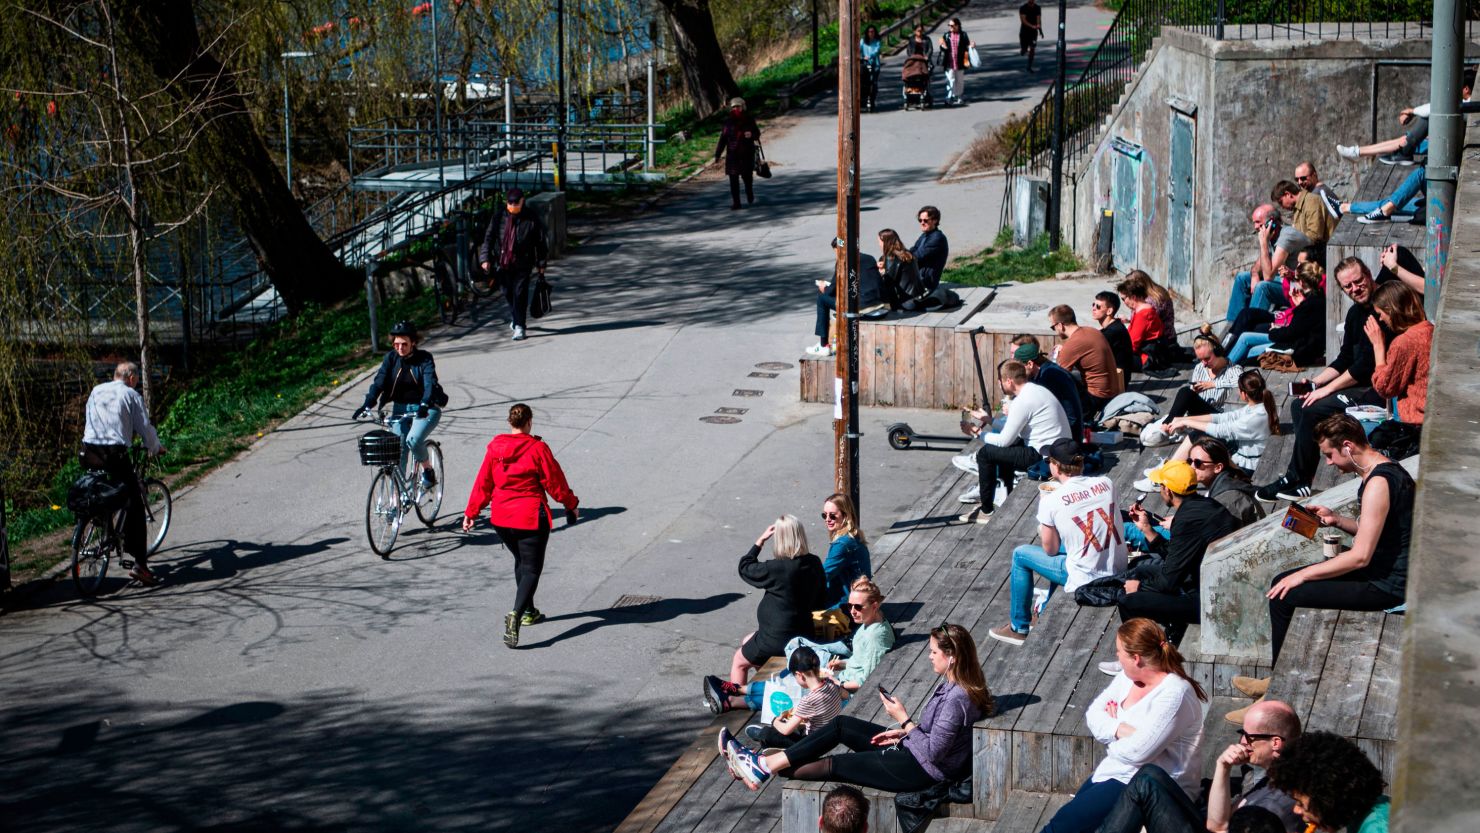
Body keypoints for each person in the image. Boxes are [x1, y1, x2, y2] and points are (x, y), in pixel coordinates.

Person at [720, 623, 993, 795]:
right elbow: (939, 737)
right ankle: (761, 762)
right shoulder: (953, 686)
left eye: (935, 652)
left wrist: (905, 721)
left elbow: (935, 753)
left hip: (920, 770)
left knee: (834, 765)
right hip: (913, 749)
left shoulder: (957, 698)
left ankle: (763, 763)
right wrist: (901, 734)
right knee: (842, 725)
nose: (930, 656)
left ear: (953, 658)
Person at [1261, 415, 1412, 664]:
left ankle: (1274, 691)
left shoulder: (1378, 484)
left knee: (1284, 594)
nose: (1329, 463)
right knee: (1281, 582)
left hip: (1387, 585)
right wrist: (1337, 520)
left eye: (1330, 454)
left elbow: (1360, 557)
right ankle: (1275, 676)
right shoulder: (1382, 471)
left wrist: (1304, 574)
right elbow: (1370, 531)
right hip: (1379, 571)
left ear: (1348, 446)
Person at [1040, 618, 1208, 833]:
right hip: (1115, 772)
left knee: (1058, 828)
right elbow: (1093, 714)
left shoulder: (1174, 694)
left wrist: (1112, 731)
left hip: (1155, 787)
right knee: (1067, 822)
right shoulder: (1127, 678)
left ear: (1136, 658)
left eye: (1119, 651)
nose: (1117, 656)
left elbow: (1139, 752)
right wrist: (1122, 729)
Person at [1256, 258, 1390, 503]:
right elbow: (1345, 359)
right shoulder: (1354, 314)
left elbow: (1363, 367)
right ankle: (1296, 478)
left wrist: (1325, 390)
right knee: (1301, 402)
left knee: (1311, 408)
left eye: (1358, 281)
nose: (1355, 289)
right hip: (1359, 383)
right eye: (1347, 286)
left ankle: (1300, 479)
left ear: (1369, 276)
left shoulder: (1381, 310)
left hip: (1375, 390)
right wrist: (1315, 383)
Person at [988, 438, 1128, 646]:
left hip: (1087, 577)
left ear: (1054, 465)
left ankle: (1019, 627)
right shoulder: (1106, 483)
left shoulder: (1052, 500)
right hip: (1118, 567)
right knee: (1070, 549)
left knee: (1020, 555)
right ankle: (1042, 610)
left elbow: (1050, 550)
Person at [463, 403, 580, 648]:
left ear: (510, 423)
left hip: (502, 519)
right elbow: (554, 482)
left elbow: (483, 481)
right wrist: (571, 504)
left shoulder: (495, 448)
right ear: (529, 422)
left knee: (521, 561)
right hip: (529, 517)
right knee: (532, 569)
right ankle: (516, 614)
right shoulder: (537, 448)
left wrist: (471, 512)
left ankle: (529, 611)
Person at [1098, 699, 1304, 833]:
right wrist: (1222, 767)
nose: (1242, 742)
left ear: (1275, 742)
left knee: (1146, 784)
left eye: (1248, 737)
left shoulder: (1276, 803)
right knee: (1151, 775)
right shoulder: (1276, 775)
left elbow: (1218, 826)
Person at [705, 577, 895, 712]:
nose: (852, 611)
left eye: (858, 607)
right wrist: (842, 664)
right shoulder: (869, 623)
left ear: (875, 605)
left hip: (848, 696)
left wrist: (838, 683)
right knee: (795, 681)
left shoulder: (875, 637)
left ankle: (733, 696)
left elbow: (866, 681)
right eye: (849, 606)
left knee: (797, 688)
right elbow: (863, 661)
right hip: (843, 681)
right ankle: (734, 693)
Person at [1112, 461, 1238, 648]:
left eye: (1161, 485)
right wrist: (1147, 529)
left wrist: (1138, 588)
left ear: (1168, 491)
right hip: (1216, 583)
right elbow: (1176, 558)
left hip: (1214, 601)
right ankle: (1174, 631)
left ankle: (1141, 657)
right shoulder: (1205, 505)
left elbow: (1169, 582)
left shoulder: (1186, 520)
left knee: (1128, 601)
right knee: (1142, 571)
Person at [80, 361, 165, 586]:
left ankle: (102, 523)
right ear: (132, 378)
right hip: (113, 453)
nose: (136, 384)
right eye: (136, 381)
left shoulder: (97, 390)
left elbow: (90, 420)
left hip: (89, 451)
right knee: (134, 502)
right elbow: (144, 428)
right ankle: (140, 566)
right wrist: (155, 447)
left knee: (104, 489)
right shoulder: (130, 395)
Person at [957, 360, 1072, 524]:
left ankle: (986, 511)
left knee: (985, 454)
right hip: (1057, 450)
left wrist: (977, 433)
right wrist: (989, 420)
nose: (1000, 385)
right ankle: (1006, 494)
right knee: (1007, 448)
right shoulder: (1037, 390)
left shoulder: (1022, 401)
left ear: (1008, 381)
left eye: (1000, 381)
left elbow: (1004, 440)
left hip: (1044, 458)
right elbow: (1014, 428)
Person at [725, 515, 827, 686]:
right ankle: (767, 687)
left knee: (739, 661)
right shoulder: (814, 562)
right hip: (803, 633)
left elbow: (745, 568)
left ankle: (735, 700)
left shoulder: (777, 568)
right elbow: (821, 599)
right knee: (747, 641)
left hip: (777, 639)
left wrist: (760, 541)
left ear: (780, 539)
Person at [354, 320, 448, 489]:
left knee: (413, 439)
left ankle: (427, 470)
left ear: (414, 342)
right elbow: (379, 381)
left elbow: (430, 383)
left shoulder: (424, 358)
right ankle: (396, 500)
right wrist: (368, 403)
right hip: (400, 410)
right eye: (396, 344)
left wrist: (425, 403)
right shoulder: (390, 358)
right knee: (396, 452)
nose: (400, 348)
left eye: (404, 344)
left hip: (426, 409)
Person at [1154, 369, 1279, 475]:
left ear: (1243, 394)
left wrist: (1188, 422)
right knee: (1199, 435)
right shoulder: (1257, 408)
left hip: (1245, 468)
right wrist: (1184, 419)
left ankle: (1167, 474)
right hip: (1240, 457)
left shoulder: (1256, 416)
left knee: (1197, 436)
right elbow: (1224, 417)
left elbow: (1221, 430)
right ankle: (1169, 469)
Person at [1267, 732, 1390, 833]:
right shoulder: (1363, 814)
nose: (1296, 810)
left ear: (1326, 797)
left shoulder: (1378, 828)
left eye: (1300, 803)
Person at [1142, 335, 1242, 447]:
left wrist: (1213, 384)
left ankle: (1166, 426)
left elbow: (1240, 381)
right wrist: (1195, 391)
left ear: (1218, 352)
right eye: (1200, 359)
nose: (1204, 363)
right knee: (1187, 392)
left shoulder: (1234, 369)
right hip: (1198, 413)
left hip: (1217, 417)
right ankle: (1170, 425)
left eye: (1207, 358)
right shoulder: (1200, 367)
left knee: (1186, 392)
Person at [478, 187, 549, 341]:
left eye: (516, 204)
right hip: (502, 263)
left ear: (522, 202)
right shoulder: (499, 217)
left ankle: (520, 326)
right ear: (506, 203)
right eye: (510, 204)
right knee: (507, 293)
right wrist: (485, 258)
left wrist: (541, 262)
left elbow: (540, 241)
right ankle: (516, 319)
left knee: (520, 293)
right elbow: (489, 238)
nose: (513, 207)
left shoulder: (531, 218)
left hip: (523, 262)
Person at [742, 646, 844, 751]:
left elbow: (786, 730)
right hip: (832, 734)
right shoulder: (830, 683)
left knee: (773, 733)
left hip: (815, 744)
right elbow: (844, 694)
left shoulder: (808, 700)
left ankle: (764, 737)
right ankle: (765, 736)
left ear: (799, 675)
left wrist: (774, 720)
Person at [1225, 205, 1310, 326]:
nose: (1255, 227)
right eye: (1254, 223)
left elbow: (1268, 276)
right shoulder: (1272, 235)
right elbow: (1260, 265)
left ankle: (1247, 327)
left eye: (1258, 222)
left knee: (1263, 287)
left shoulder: (1286, 237)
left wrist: (1263, 243)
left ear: (1272, 221)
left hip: (1300, 288)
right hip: (1285, 281)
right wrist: (1254, 274)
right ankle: (1232, 327)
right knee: (1242, 278)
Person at [1226, 267, 1325, 367]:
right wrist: (1299, 305)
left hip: (1298, 350)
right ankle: (1226, 368)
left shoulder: (1308, 306)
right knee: (1247, 341)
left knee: (1249, 346)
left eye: (1296, 280)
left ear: (1301, 282)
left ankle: (1224, 371)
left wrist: (1274, 330)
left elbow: (1291, 333)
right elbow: (1299, 327)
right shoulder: (1316, 299)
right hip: (1299, 344)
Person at [1366, 281, 1431, 425]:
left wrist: (1378, 347)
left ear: (1391, 309)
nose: (1381, 319)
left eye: (1380, 313)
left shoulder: (1404, 342)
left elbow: (1385, 388)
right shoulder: (1430, 329)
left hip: (1415, 422)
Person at [811, 238, 885, 357]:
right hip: (877, 305)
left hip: (861, 307)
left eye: (836, 251)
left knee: (822, 298)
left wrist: (823, 288)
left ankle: (823, 345)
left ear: (839, 249)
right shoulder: (869, 258)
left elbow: (831, 290)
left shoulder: (843, 261)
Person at [1049, 303, 1123, 415]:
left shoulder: (1072, 345)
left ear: (1060, 325)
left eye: (1053, 327)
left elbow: (1058, 378)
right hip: (1113, 391)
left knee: (1055, 385)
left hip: (1097, 399)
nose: (1054, 330)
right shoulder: (1092, 331)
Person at [1015, 340, 1086, 440]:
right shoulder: (1046, 371)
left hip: (1066, 437)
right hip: (1067, 430)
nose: (1019, 373)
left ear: (1030, 364)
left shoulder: (1049, 377)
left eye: (1020, 368)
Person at [819, 493, 872, 610]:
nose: (827, 520)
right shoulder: (854, 536)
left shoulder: (842, 544)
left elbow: (823, 575)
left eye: (832, 516)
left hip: (848, 604)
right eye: (824, 515)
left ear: (846, 515)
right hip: (860, 599)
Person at [715, 97, 761, 210]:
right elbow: (723, 139)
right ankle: (736, 203)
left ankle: (749, 192)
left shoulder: (749, 119)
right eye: (734, 107)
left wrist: (751, 134)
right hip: (732, 155)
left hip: (746, 153)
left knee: (747, 178)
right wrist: (717, 154)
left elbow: (757, 133)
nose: (736, 109)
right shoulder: (728, 122)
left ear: (743, 107)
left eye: (738, 106)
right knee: (733, 180)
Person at [1272, 179, 1335, 254]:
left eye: (1280, 202)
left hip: (1326, 253)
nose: (1281, 207)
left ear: (1288, 194)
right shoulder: (1297, 207)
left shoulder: (1311, 201)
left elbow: (1315, 235)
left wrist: (1290, 241)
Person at [906, 206, 948, 309]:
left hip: (926, 282)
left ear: (935, 221)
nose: (922, 223)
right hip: (918, 277)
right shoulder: (925, 236)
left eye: (925, 220)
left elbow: (917, 256)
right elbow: (913, 250)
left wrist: (901, 253)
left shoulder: (937, 238)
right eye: (920, 220)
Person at [1118, 276, 1165, 370]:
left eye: (1123, 299)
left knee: (1112, 358)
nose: (1123, 302)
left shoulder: (1143, 314)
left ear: (1133, 297)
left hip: (1146, 359)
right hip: (1154, 355)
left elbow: (1132, 345)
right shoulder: (1145, 309)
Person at [1093, 291, 1137, 385]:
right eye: (1093, 305)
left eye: (1098, 306)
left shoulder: (1113, 332)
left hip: (1117, 381)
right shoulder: (1114, 326)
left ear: (1109, 311)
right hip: (1115, 376)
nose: (1093, 309)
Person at [878, 227, 921, 310]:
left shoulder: (891, 258)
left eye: (879, 241)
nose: (879, 244)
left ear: (885, 242)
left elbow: (888, 284)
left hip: (906, 302)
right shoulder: (906, 253)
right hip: (917, 297)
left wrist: (880, 273)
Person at [937, 18, 974, 106]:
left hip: (960, 62)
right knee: (950, 80)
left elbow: (967, 46)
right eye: (949, 25)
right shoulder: (946, 35)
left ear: (957, 26)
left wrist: (972, 45)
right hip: (949, 62)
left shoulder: (963, 35)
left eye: (952, 25)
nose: (950, 27)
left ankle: (959, 96)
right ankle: (950, 97)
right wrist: (942, 45)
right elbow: (942, 48)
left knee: (960, 81)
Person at [860, 26, 882, 113]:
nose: (871, 33)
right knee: (864, 83)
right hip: (865, 65)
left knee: (874, 83)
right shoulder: (863, 42)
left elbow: (876, 51)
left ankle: (872, 100)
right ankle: (863, 99)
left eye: (872, 31)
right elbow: (859, 50)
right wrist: (862, 57)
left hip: (875, 65)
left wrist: (870, 56)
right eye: (869, 31)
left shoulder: (877, 42)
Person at [1019, 0, 1044, 71]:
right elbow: (1023, 20)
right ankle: (1023, 50)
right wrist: (1032, 26)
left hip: (1033, 33)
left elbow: (1038, 19)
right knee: (1024, 50)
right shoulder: (1023, 8)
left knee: (1032, 48)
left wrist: (1040, 30)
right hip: (1024, 32)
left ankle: (1029, 66)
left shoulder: (1037, 8)